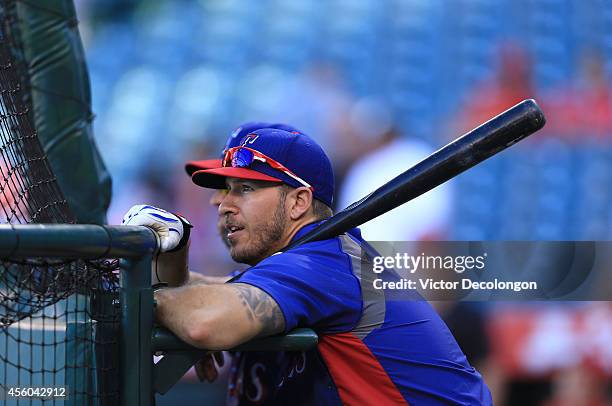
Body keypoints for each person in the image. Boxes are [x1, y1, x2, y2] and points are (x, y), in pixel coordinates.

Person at [124, 128, 492, 404]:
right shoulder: (296, 264)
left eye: (245, 190)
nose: (223, 205)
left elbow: (204, 320)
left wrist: (142, 301)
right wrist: (175, 259)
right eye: (226, 190)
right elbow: (206, 292)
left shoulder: (323, 263)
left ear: (299, 202)